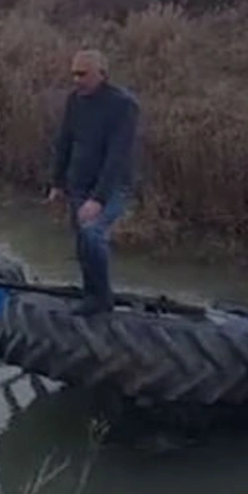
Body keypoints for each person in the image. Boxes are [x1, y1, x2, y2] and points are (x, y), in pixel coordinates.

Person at [46, 49, 140, 316]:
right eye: (74, 74)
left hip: (111, 187)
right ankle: (92, 294)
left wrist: (98, 199)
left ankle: (102, 298)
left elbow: (117, 155)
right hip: (79, 183)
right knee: (82, 242)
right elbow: (64, 141)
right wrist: (57, 183)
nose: (77, 79)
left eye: (83, 74)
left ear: (101, 74)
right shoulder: (74, 101)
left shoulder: (123, 105)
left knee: (93, 233)